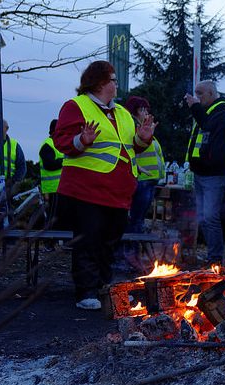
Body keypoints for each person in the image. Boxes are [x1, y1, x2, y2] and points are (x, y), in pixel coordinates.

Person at [53, 60, 155, 310]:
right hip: (86, 191)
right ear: (99, 83)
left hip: (118, 193)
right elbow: (61, 141)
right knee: (88, 241)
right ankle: (86, 292)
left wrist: (143, 139)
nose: (116, 85)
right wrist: (81, 139)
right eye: (113, 80)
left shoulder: (121, 112)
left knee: (110, 242)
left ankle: (103, 287)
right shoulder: (76, 106)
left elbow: (130, 147)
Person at [184, 80, 225, 265]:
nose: (197, 98)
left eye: (200, 94)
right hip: (201, 173)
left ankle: (215, 259)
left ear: (212, 94)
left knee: (211, 217)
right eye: (195, 94)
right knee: (204, 217)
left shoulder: (222, 109)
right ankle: (212, 256)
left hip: (214, 175)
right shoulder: (207, 111)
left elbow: (208, 126)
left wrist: (195, 108)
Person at [126, 96, 166, 234]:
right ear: (133, 111)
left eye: (146, 109)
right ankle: (131, 250)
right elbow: (129, 150)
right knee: (136, 219)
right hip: (141, 180)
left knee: (140, 218)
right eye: (142, 109)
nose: (146, 113)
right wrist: (137, 167)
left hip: (149, 180)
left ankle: (133, 250)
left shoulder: (144, 129)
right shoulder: (133, 127)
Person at [38, 119, 64, 246]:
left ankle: (58, 241)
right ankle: (49, 242)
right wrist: (64, 161)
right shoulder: (47, 145)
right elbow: (49, 165)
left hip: (62, 188)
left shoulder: (60, 144)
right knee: (53, 217)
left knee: (60, 216)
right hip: (53, 188)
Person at [0, 119, 27, 186]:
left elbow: (22, 167)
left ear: (6, 128)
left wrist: (13, 181)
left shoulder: (14, 145)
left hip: (8, 186)